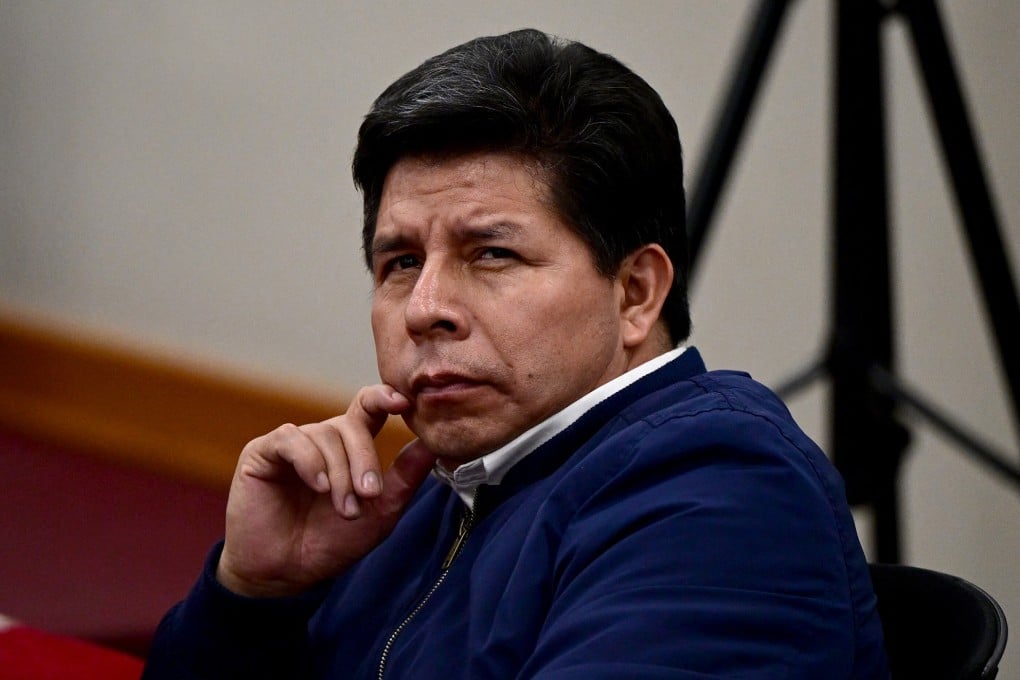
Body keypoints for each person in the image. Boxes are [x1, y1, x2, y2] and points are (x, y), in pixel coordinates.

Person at [142, 28, 888, 679]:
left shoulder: (720, 494)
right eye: (401, 262)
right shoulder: (437, 490)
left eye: (492, 253)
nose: (425, 308)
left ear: (635, 292)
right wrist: (252, 597)